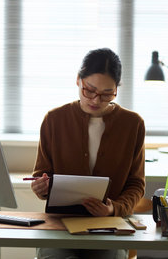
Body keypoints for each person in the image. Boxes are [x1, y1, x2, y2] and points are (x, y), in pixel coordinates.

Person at [31, 48, 145, 259]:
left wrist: (113, 209)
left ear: (116, 90)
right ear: (78, 80)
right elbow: (41, 174)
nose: (95, 100)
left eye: (106, 94)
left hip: (109, 225)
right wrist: (41, 187)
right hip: (60, 223)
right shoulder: (54, 120)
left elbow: (136, 184)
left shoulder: (132, 124)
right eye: (89, 90)